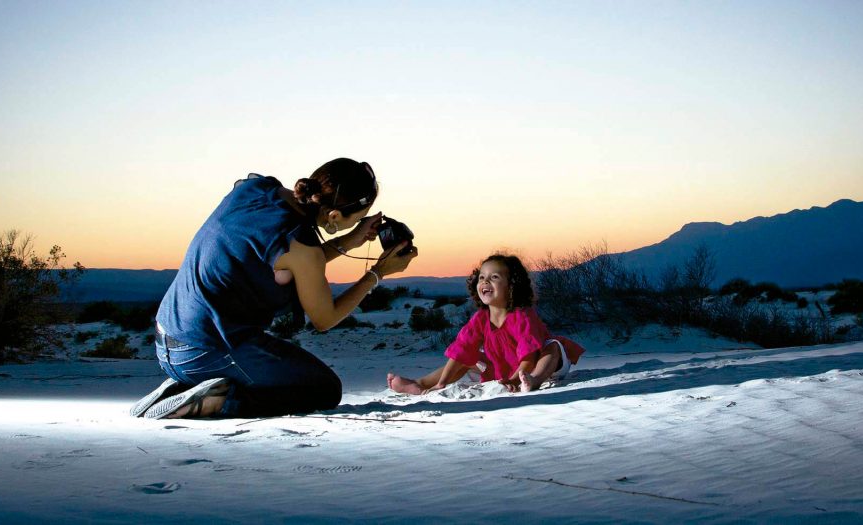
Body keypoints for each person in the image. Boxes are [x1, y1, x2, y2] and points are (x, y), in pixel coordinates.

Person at [131, 158, 417, 419]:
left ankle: (184, 386)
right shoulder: (301, 246)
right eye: (355, 219)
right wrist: (378, 273)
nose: (355, 224)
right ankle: (216, 400)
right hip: (207, 350)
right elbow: (324, 318)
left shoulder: (258, 188)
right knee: (324, 389)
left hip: (167, 341)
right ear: (332, 216)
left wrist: (350, 240)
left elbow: (280, 257)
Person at [387, 254, 583, 395]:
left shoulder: (522, 315)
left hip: (540, 367)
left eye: (494, 277)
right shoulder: (481, 318)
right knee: (469, 358)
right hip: (503, 369)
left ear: (512, 285)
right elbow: (461, 350)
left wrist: (517, 379)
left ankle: (534, 381)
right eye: (482, 277)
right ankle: (420, 384)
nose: (485, 281)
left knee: (553, 347)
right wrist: (443, 383)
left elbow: (529, 356)